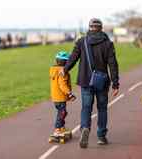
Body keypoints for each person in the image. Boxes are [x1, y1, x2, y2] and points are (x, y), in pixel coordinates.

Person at [62, 18, 119, 148]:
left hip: (86, 81)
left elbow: (73, 58)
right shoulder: (108, 44)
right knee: (102, 108)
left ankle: (85, 128)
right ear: (101, 28)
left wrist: (64, 70)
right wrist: (115, 84)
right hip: (102, 82)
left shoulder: (82, 42)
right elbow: (113, 65)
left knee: (86, 108)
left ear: (89, 27)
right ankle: (101, 136)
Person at [50, 51, 76, 136]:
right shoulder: (62, 72)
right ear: (65, 62)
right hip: (60, 97)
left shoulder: (53, 70)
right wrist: (69, 94)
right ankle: (57, 129)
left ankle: (61, 127)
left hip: (55, 97)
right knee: (62, 112)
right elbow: (62, 85)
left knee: (63, 112)